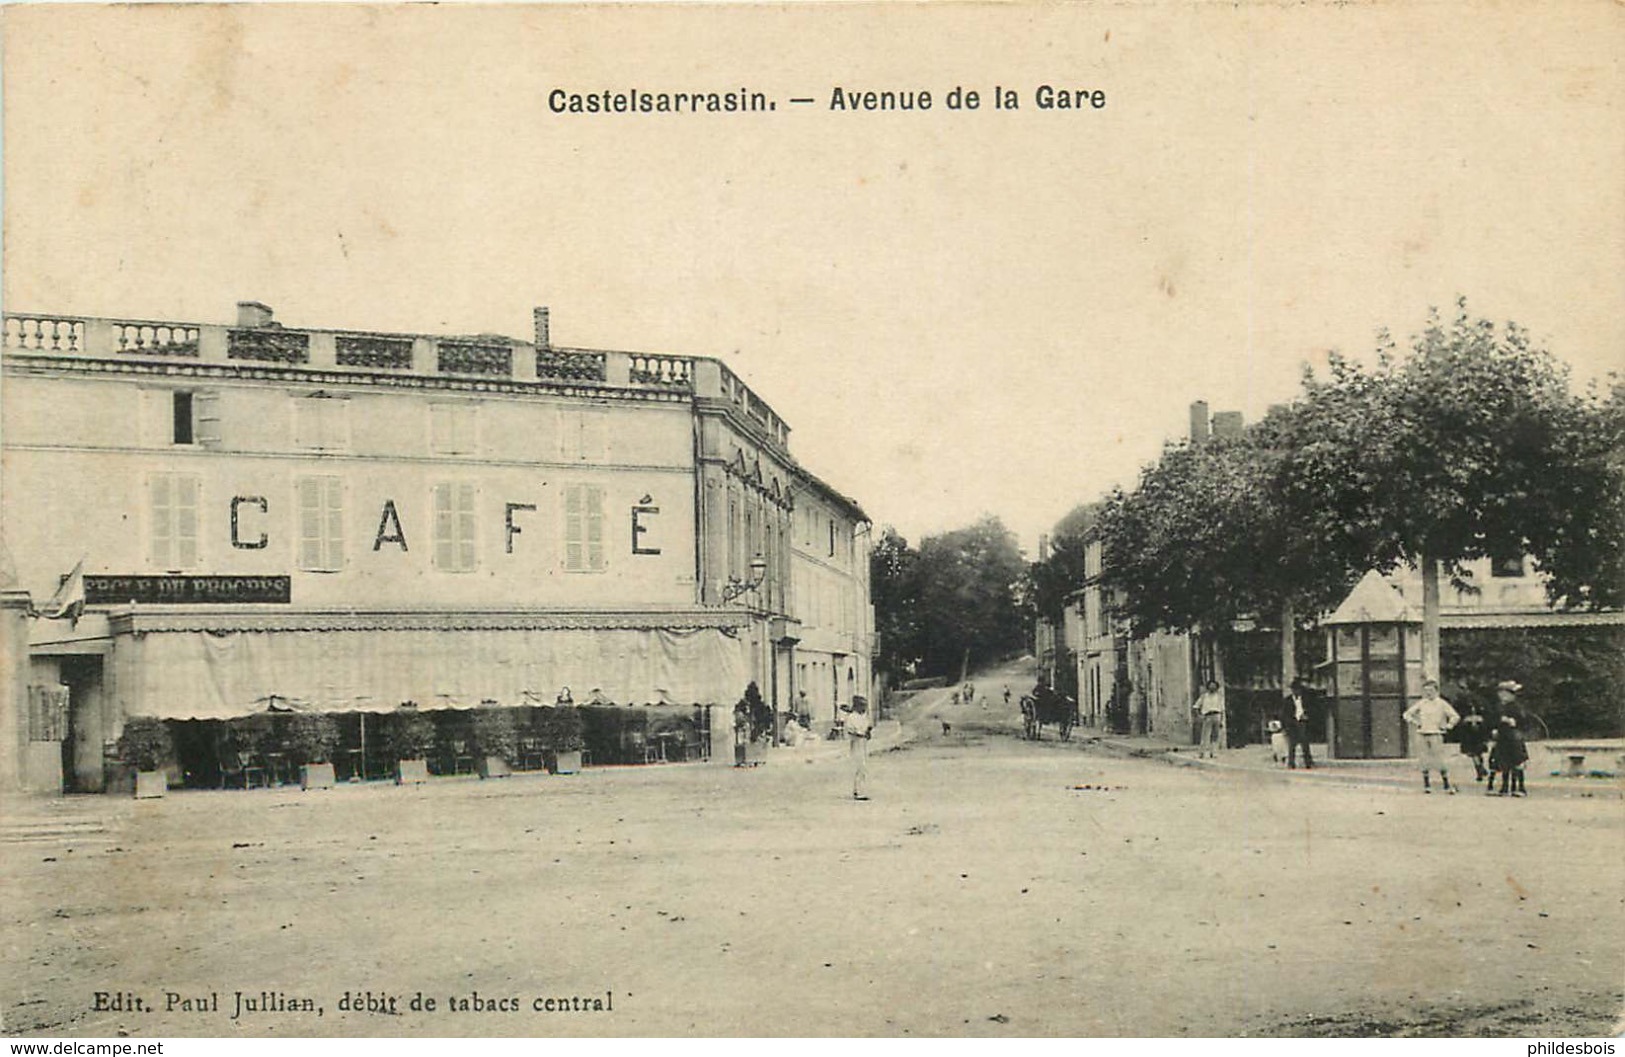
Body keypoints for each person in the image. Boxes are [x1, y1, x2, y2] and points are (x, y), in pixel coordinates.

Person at [1402, 678, 1460, 794]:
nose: (1428, 693)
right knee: (1424, 759)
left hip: (1436, 733)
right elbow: (1407, 714)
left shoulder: (1441, 703)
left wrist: (1448, 726)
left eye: (1431, 690)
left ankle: (1446, 784)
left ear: (1436, 691)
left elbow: (1455, 716)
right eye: (1426, 691)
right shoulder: (1422, 703)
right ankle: (1427, 784)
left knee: (1439, 759)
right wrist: (1415, 722)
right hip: (1422, 733)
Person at [1487, 715, 1529, 797]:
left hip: (1509, 756)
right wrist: (1524, 756)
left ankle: (1505, 788)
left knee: (1506, 771)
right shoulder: (1518, 733)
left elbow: (1499, 748)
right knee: (1517, 771)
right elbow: (1522, 746)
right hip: (1518, 756)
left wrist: (1495, 757)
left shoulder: (1502, 735)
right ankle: (1518, 788)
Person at [1279, 678, 1315, 770]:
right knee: (1292, 745)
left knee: (1305, 744)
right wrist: (1286, 726)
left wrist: (1307, 716)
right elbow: (1284, 715)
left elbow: (1312, 710)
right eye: (1295, 689)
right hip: (1292, 724)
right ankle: (1291, 763)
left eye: (1298, 689)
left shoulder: (1305, 699)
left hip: (1302, 723)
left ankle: (1308, 763)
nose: (1297, 691)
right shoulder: (1287, 701)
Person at [843, 696, 873, 800]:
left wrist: (868, 732)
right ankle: (859, 792)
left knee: (863, 767)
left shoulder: (863, 717)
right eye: (863, 706)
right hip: (856, 743)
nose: (864, 708)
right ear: (857, 706)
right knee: (859, 767)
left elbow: (867, 728)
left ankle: (859, 790)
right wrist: (861, 733)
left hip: (863, 743)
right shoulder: (851, 717)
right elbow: (851, 730)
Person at [1454, 702, 1491, 782]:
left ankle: (1481, 769)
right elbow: (1463, 731)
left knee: (1478, 755)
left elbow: (1485, 730)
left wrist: (1485, 739)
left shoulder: (1480, 719)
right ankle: (1480, 771)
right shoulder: (1466, 719)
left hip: (1478, 739)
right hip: (1470, 739)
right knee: (1474, 755)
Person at [1193, 680, 1224, 759]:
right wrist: (1199, 716)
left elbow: (1222, 709)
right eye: (1211, 685)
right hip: (1207, 716)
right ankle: (1202, 753)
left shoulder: (1219, 697)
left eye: (1214, 686)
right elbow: (1196, 706)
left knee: (1215, 736)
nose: (1212, 687)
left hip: (1217, 715)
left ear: (1216, 687)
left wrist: (1221, 720)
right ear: (1208, 687)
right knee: (1205, 735)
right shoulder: (1204, 696)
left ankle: (1214, 753)